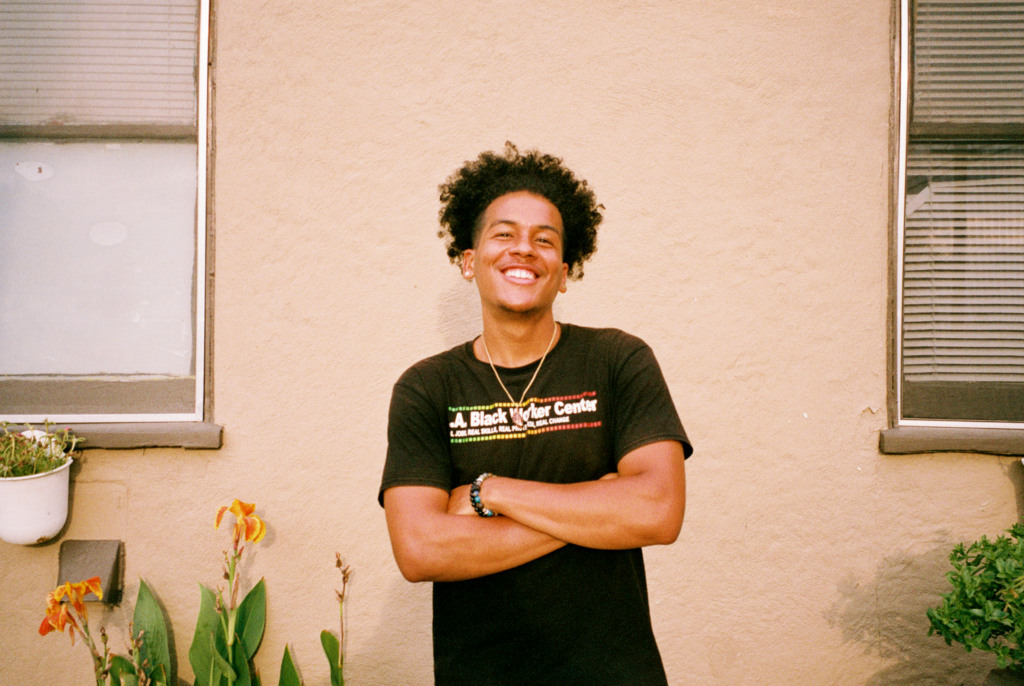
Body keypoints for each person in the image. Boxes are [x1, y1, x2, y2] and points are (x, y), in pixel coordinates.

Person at [379, 143, 692, 686]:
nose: (524, 250)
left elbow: (659, 511)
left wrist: (489, 492)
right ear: (468, 261)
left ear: (565, 271)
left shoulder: (618, 360)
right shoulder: (427, 388)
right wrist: (599, 504)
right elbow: (420, 548)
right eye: (504, 234)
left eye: (544, 240)